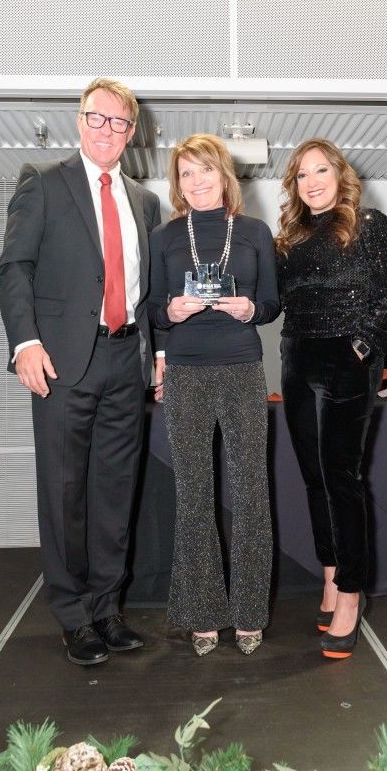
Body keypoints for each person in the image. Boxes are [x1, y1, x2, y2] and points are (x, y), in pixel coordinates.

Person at [0, 78, 161, 666]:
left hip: (125, 357)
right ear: (79, 120)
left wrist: (157, 354)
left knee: (115, 490)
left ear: (131, 131)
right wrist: (25, 343)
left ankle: (106, 608)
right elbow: (14, 269)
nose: (107, 130)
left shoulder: (144, 201)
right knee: (65, 489)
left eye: (120, 122)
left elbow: (145, 290)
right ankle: (72, 616)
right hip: (63, 359)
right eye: (98, 118)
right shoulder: (42, 183)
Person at [275, 138, 387, 659]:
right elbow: (272, 303)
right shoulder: (290, 238)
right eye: (302, 174)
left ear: (339, 174)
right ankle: (330, 578)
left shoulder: (369, 225)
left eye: (321, 170)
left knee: (341, 478)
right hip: (296, 358)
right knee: (313, 477)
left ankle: (351, 595)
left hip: (348, 361)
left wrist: (360, 347)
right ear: (294, 185)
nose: (312, 181)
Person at [149, 134, 279, 656]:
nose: (197, 182)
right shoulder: (163, 237)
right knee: (195, 496)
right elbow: (151, 310)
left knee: (250, 492)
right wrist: (169, 314)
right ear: (177, 183)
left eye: (205, 171)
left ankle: (249, 613)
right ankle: (203, 613)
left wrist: (250, 309)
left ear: (224, 176)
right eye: (186, 173)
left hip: (243, 366)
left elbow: (271, 302)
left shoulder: (253, 233)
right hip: (185, 371)